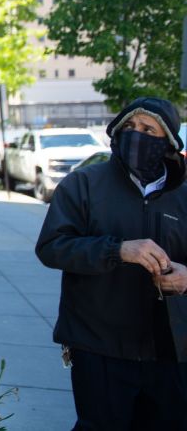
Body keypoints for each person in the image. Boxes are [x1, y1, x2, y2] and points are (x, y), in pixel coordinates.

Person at [36, 96, 187, 430]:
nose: (137, 134)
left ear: (169, 143)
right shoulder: (84, 184)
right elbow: (52, 247)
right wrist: (118, 250)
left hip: (172, 352)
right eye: (129, 127)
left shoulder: (184, 196)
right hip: (99, 347)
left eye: (149, 129)